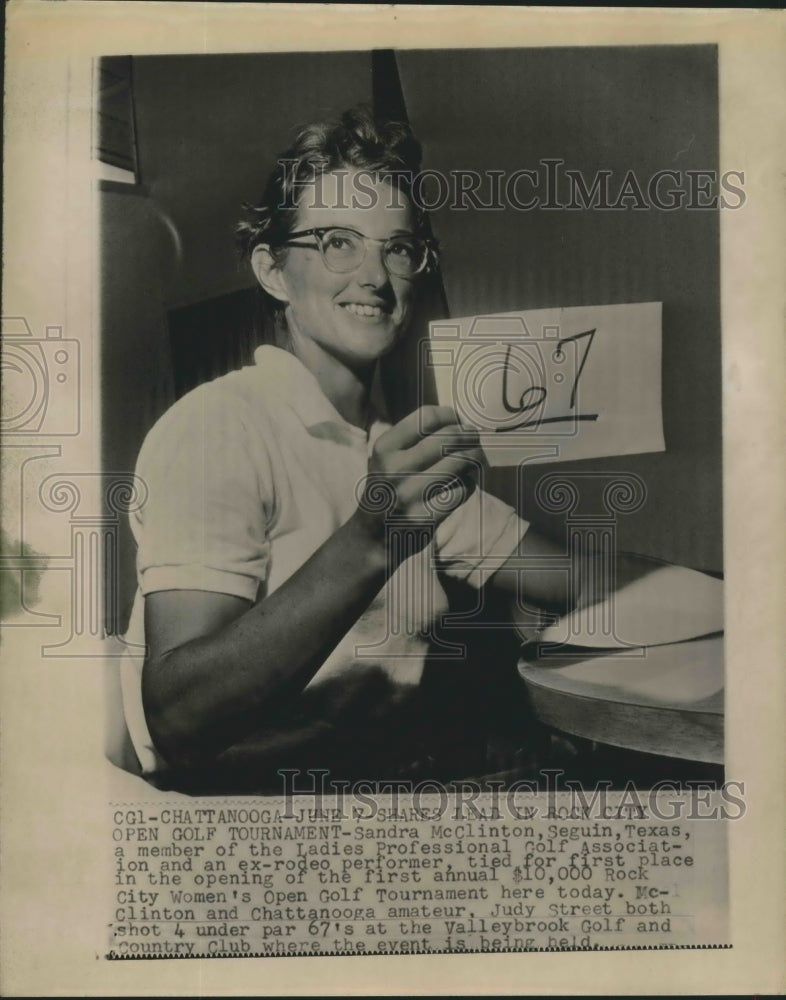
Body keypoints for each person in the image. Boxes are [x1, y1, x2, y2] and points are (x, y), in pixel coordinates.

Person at [120, 106, 573, 790]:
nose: (374, 275)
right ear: (274, 272)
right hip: (238, 827)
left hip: (376, 796)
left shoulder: (395, 448)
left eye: (395, 247)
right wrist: (372, 536)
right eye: (338, 242)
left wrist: (745, 598)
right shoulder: (217, 427)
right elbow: (178, 718)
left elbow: (580, 577)